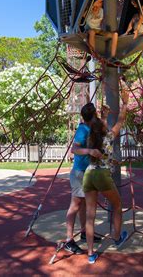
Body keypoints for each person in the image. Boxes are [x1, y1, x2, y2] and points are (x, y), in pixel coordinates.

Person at [82, 89, 130, 264]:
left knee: (90, 215)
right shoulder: (108, 137)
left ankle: (90, 254)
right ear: (103, 128)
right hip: (102, 175)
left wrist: (102, 115)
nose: (106, 124)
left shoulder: (91, 137)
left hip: (89, 174)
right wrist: (125, 103)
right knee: (117, 205)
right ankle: (117, 237)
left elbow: (98, 126)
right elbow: (121, 120)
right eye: (104, 123)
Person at [64, 102, 102, 254]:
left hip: (87, 172)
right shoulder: (82, 129)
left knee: (84, 204)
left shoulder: (90, 128)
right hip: (79, 172)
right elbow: (74, 149)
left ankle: (84, 233)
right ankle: (69, 240)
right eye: (96, 114)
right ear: (92, 116)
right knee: (75, 205)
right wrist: (90, 151)